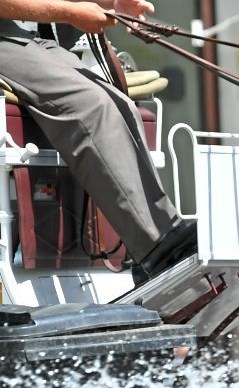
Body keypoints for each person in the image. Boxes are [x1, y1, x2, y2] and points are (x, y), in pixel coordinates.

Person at [0, 0, 195, 283]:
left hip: (30, 37)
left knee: (122, 105)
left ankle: (164, 235)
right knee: (93, 106)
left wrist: (111, 3)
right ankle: (157, 249)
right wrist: (70, 13)